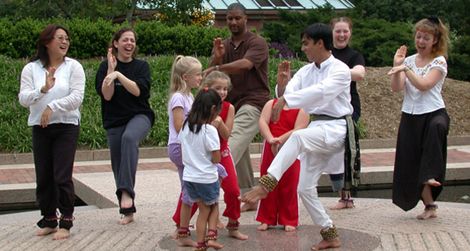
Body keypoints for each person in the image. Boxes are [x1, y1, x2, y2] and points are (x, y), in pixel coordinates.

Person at [242, 23, 353, 250]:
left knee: (297, 137)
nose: (303, 48)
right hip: (318, 130)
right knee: (304, 188)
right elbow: (290, 95)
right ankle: (330, 233)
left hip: (336, 128)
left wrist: (287, 99)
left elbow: (321, 92)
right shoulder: (306, 71)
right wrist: (282, 89)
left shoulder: (340, 70)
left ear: (319, 43)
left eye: (306, 43)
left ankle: (267, 182)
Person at [18, 24, 85, 240]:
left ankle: (66, 219)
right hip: (41, 127)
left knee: (61, 176)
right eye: (60, 38)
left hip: (66, 126)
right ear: (47, 42)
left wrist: (52, 106)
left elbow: (77, 98)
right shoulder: (31, 69)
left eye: (67, 38)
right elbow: (23, 98)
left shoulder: (73, 67)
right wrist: (43, 90)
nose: (65, 42)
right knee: (44, 176)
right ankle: (49, 219)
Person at [204, 2, 270, 212]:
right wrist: (217, 57)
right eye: (229, 18)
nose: (232, 22)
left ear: (245, 19)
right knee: (234, 149)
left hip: (254, 102)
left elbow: (245, 65)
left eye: (237, 18)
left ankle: (207, 193)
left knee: (228, 148)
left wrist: (218, 65)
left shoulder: (257, 42)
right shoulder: (225, 44)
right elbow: (212, 75)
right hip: (231, 104)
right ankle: (247, 195)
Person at [388, 17, 450, 220]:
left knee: (437, 128)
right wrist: (398, 65)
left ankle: (432, 173)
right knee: (412, 161)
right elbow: (397, 88)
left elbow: (424, 85)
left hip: (434, 113)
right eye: (419, 36)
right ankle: (430, 205)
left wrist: (406, 69)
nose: (421, 41)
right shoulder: (407, 61)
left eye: (426, 37)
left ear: (435, 40)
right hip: (411, 116)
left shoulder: (439, 61)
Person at [95, 28, 155, 225]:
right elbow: (107, 95)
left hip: (140, 116)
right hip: (114, 120)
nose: (129, 43)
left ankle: (127, 193)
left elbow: (138, 91)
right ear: (116, 43)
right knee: (118, 163)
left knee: (129, 138)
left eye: (132, 40)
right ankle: (127, 209)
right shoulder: (105, 66)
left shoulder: (141, 67)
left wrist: (119, 75)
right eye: (125, 40)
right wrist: (111, 72)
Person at [201, 71, 248, 240]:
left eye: (225, 89)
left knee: (234, 190)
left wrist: (219, 122)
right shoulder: (200, 106)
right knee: (195, 191)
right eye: (218, 88)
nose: (222, 92)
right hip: (203, 153)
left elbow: (227, 135)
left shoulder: (229, 107)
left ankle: (233, 225)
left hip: (223, 151)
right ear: (207, 88)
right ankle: (181, 226)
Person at [178, 88, 224, 251]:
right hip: (206, 177)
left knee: (205, 207)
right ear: (213, 110)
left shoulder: (185, 126)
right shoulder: (209, 130)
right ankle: (203, 242)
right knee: (209, 208)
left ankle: (205, 241)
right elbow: (216, 158)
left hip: (190, 177)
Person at [328, 17, 366, 210]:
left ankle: (346, 197)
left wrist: (334, 74)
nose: (342, 35)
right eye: (338, 31)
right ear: (331, 32)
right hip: (327, 107)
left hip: (349, 106)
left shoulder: (354, 55)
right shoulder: (326, 53)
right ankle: (339, 192)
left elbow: (359, 74)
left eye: (345, 31)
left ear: (350, 33)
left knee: (346, 148)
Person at [256, 96, 309, 232]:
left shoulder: (303, 108)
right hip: (271, 146)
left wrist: (281, 139)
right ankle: (266, 218)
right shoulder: (271, 104)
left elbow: (299, 128)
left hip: (291, 147)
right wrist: (270, 138)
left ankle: (289, 219)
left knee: (290, 183)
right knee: (267, 180)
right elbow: (263, 121)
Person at [167, 55, 202, 247]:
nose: (200, 78)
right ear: (186, 77)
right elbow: (179, 125)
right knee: (191, 186)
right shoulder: (178, 97)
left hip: (186, 147)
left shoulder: (189, 96)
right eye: (197, 74)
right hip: (180, 147)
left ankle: (181, 228)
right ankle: (182, 231)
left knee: (188, 188)